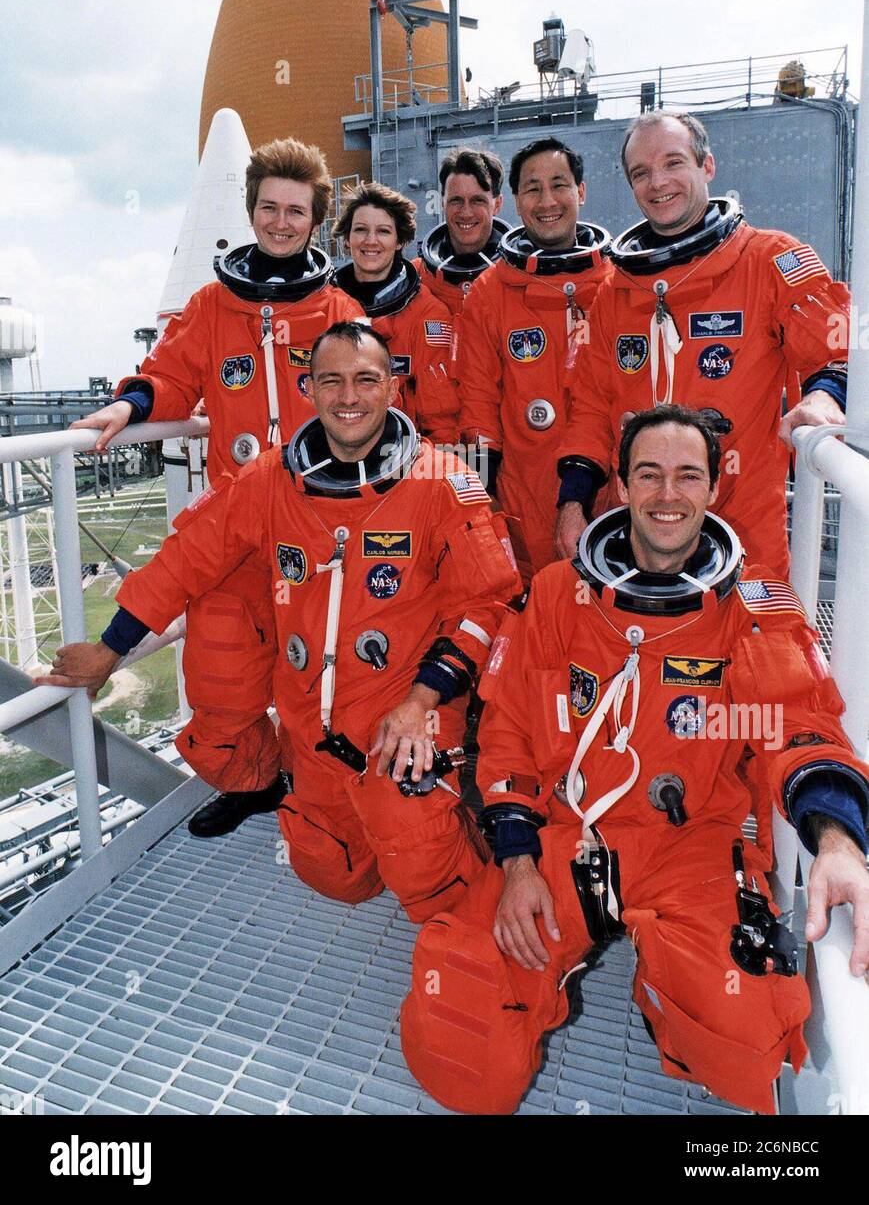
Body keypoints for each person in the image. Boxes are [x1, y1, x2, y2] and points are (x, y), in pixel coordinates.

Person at [401, 406, 869, 1115]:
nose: (667, 494)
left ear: (714, 488)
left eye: (687, 475)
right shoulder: (559, 593)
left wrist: (833, 841)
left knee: (747, 1042)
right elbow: (507, 737)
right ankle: (564, 960)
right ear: (619, 486)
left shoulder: (754, 601)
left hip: (692, 846)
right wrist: (519, 860)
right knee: (461, 1054)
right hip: (566, 834)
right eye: (647, 475)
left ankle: (664, 984)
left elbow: (796, 723)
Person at [44, 324, 522, 923]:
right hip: (312, 730)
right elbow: (185, 562)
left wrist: (421, 700)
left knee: (427, 861)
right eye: (332, 381)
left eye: (366, 380)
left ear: (393, 389)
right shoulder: (269, 478)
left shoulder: (446, 481)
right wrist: (110, 651)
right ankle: (358, 814)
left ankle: (467, 854)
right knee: (335, 875)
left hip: (404, 715)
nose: (349, 396)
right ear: (310, 389)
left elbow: (488, 606)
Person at [70, 138, 364, 837]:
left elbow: (373, 410)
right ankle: (256, 782)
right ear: (252, 210)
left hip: (318, 530)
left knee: (322, 678)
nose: (281, 223)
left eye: (296, 211)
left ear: (316, 220)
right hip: (233, 526)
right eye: (269, 208)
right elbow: (169, 375)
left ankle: (327, 801)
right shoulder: (211, 305)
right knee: (218, 686)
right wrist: (129, 407)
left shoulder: (337, 312)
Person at [554, 111, 849, 576]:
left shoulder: (769, 260)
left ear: (707, 166)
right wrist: (572, 501)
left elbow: (837, 346)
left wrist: (823, 396)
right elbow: (591, 407)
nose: (658, 183)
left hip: (743, 523)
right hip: (639, 530)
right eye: (641, 173)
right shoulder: (615, 291)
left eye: (673, 163)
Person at [456, 137, 611, 582]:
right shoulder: (490, 292)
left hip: (610, 491)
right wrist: (482, 501)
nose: (547, 201)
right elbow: (479, 403)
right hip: (523, 496)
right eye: (532, 189)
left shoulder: (619, 282)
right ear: (517, 204)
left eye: (559, 185)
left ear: (580, 192)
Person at [333, 181, 459, 443]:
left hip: (403, 457)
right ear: (348, 238)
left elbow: (441, 419)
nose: (370, 241)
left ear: (400, 240)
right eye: (360, 230)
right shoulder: (328, 307)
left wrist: (433, 475)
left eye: (383, 231)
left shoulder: (428, 314)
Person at [415, 148, 511, 374]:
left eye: (477, 200)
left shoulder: (520, 279)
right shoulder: (416, 280)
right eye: (456, 200)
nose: (466, 212)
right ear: (442, 203)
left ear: (497, 204)